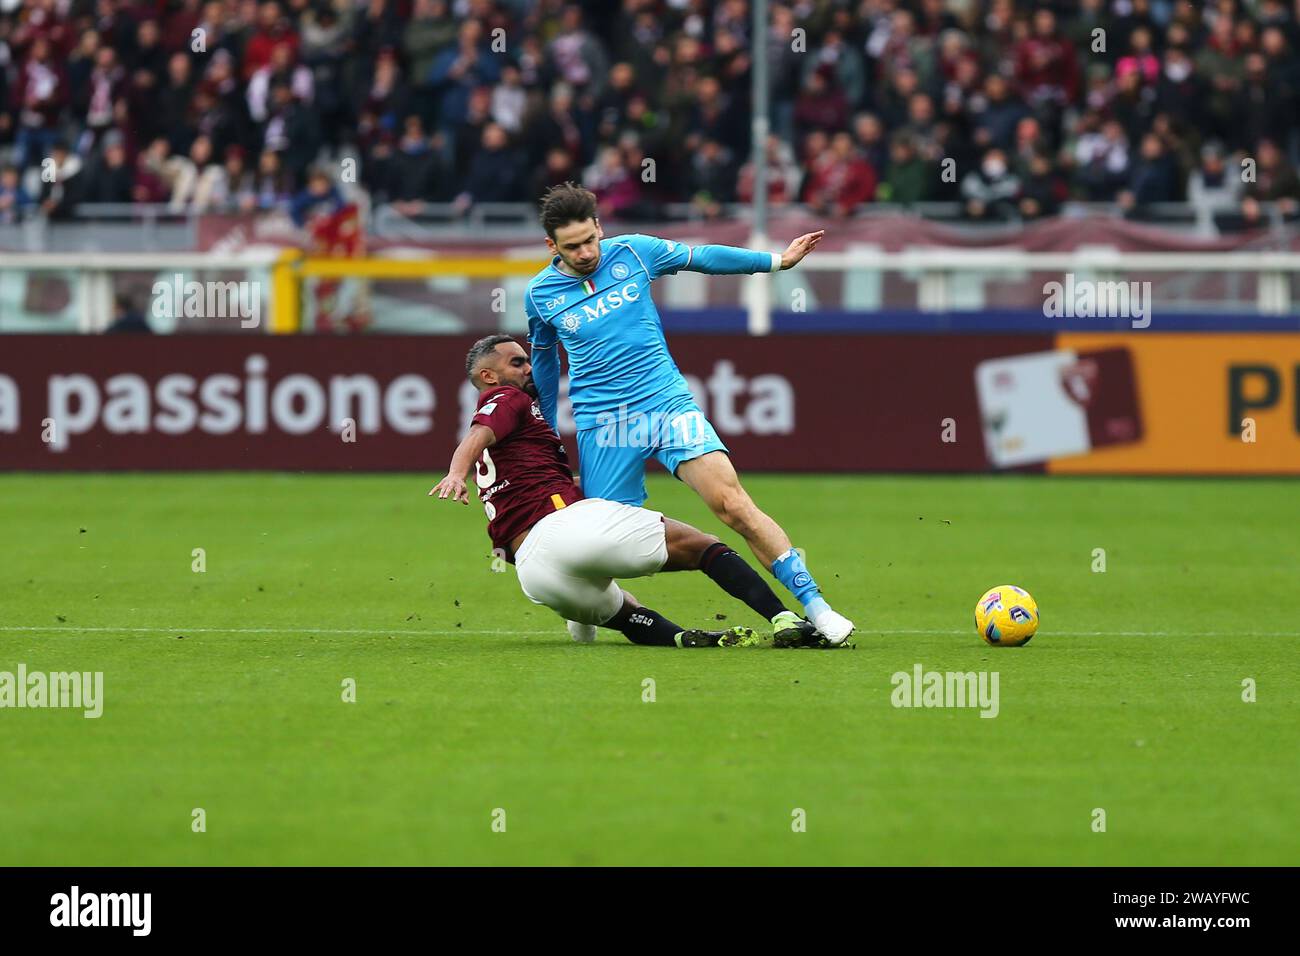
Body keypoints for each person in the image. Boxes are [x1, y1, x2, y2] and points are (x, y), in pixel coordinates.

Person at [523, 183, 856, 645]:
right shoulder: (540, 295)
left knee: (732, 504)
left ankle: (817, 606)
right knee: (602, 542)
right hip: (604, 423)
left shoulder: (636, 253)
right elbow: (543, 361)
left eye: (590, 239)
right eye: (572, 246)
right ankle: (586, 610)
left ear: (600, 227)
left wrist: (776, 261)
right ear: (551, 247)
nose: (585, 252)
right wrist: (540, 423)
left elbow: (703, 257)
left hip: (666, 403)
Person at [430, 335, 836, 649]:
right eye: (517, 362)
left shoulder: (516, 444)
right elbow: (477, 434)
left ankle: (680, 638)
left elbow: (520, 471)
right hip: (563, 531)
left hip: (536, 575)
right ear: (488, 376)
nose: (529, 368)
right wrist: (455, 472)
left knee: (628, 612)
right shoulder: (506, 397)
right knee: (705, 547)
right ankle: (785, 619)